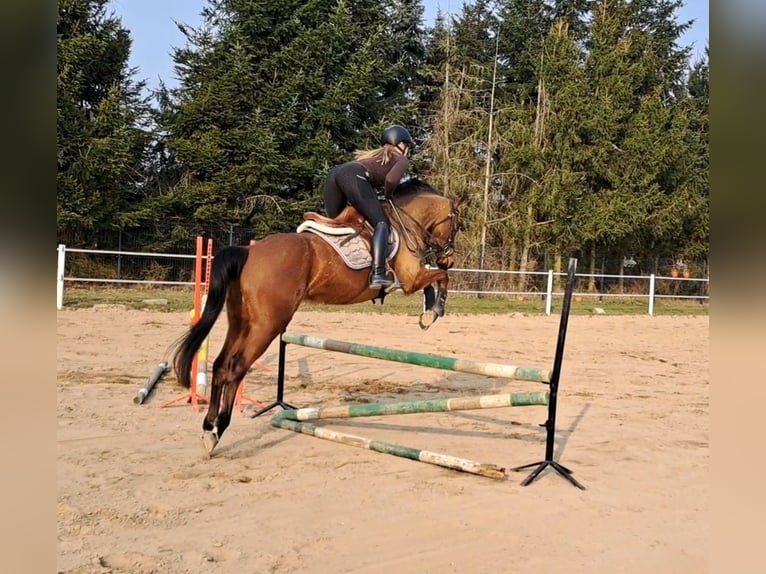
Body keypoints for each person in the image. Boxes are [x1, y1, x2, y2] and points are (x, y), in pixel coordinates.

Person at [323, 125, 413, 289]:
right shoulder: (400, 159)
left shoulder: (374, 158)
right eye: (406, 145)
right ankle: (378, 274)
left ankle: (330, 267)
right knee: (381, 223)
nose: (407, 149)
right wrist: (389, 194)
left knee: (336, 224)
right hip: (353, 176)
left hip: (334, 175)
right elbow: (391, 180)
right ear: (400, 143)